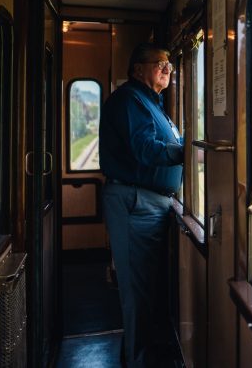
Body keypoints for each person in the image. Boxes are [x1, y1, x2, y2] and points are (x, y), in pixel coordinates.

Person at [99, 43, 183, 367]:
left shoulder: (153, 104)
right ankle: (137, 362)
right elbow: (146, 149)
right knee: (137, 295)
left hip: (150, 204)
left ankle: (140, 358)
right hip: (135, 203)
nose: (168, 68)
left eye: (170, 65)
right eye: (160, 63)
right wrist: (187, 149)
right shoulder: (130, 99)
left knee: (146, 293)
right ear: (137, 70)